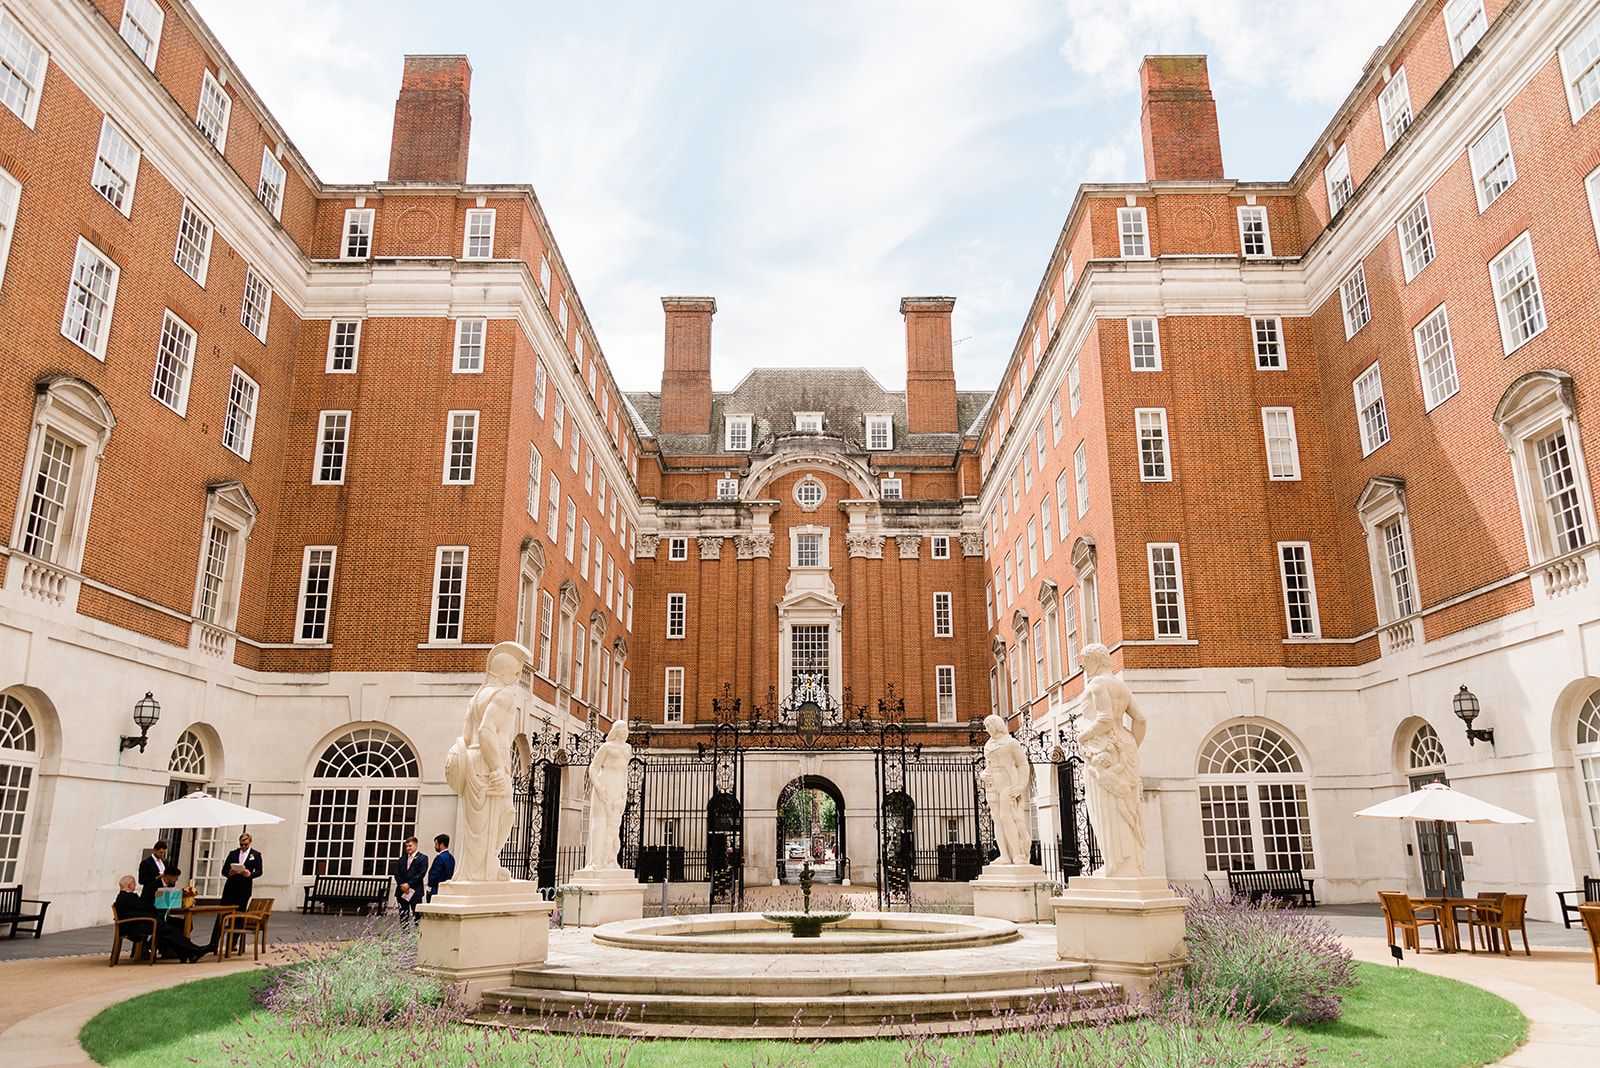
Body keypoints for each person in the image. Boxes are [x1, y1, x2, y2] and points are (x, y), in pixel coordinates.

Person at [444, 641, 530, 882]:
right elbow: (486, 730)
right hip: (489, 761)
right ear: (503, 673)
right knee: (495, 818)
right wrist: (497, 769)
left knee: (488, 820)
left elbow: (466, 737)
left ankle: (483, 867)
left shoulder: (478, 697)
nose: (518, 677)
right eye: (515, 672)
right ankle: (482, 872)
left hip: (474, 759)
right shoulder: (503, 695)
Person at [1074, 643, 1149, 878]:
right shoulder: (1121, 686)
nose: (1083, 667)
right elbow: (1140, 719)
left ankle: (1114, 863)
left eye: (1085, 662)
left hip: (1103, 747)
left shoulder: (1097, 683)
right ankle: (1129, 864)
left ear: (1096, 661)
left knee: (1104, 808)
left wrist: (1082, 736)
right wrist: (1131, 745)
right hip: (1123, 746)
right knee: (1127, 806)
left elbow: (1105, 719)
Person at [114, 875, 208, 963]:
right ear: (129, 885)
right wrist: (152, 910)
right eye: (134, 883)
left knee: (170, 928)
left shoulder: (125, 897)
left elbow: (143, 907)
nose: (135, 885)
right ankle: (193, 950)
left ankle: (188, 953)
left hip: (143, 922)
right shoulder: (126, 897)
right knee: (169, 930)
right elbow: (145, 907)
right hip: (136, 926)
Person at [980, 714, 1032, 866]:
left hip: (1007, 783)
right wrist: (983, 774)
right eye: (986, 727)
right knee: (997, 819)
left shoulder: (1011, 743)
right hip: (992, 784)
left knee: (1006, 817)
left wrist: (1021, 785)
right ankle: (1005, 856)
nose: (987, 729)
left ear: (997, 725)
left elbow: (1022, 764)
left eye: (989, 726)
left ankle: (1017, 855)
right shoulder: (988, 745)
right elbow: (989, 767)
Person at [579, 721, 632, 871]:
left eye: (626, 728)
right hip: (604, 784)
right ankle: (596, 860)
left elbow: (625, 771)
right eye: (621, 727)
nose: (624, 730)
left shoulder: (628, 748)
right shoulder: (607, 747)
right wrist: (598, 787)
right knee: (600, 821)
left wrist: (624, 790)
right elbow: (593, 767)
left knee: (614, 825)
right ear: (615, 730)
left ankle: (610, 859)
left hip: (618, 786)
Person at [215, 832, 262, 952]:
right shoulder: (233, 853)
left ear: (250, 842)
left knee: (239, 917)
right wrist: (229, 873)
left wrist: (250, 874)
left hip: (244, 889)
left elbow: (259, 871)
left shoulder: (256, 855)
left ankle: (232, 943)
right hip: (230, 888)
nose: (243, 847)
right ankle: (214, 943)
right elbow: (224, 870)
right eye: (241, 844)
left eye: (245, 844)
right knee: (222, 914)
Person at [393, 836, 427, 921]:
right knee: (403, 916)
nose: (408, 848)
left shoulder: (423, 858)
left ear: (416, 845)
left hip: (415, 891)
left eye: (410, 846)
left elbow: (421, 874)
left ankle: (416, 929)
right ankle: (404, 929)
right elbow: (397, 873)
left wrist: (408, 884)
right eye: (407, 846)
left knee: (417, 916)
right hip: (402, 891)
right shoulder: (402, 859)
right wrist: (402, 885)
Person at [137, 841, 169, 907]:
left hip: (163, 893)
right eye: (161, 852)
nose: (162, 854)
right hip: (150, 894)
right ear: (155, 850)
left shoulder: (164, 862)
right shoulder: (146, 863)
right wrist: (155, 878)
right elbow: (141, 880)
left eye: (164, 853)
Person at [427, 834, 455, 901]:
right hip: (446, 889)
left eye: (436, 844)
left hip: (436, 888)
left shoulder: (440, 857)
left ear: (441, 845)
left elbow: (435, 873)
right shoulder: (451, 858)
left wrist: (429, 886)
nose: (435, 847)